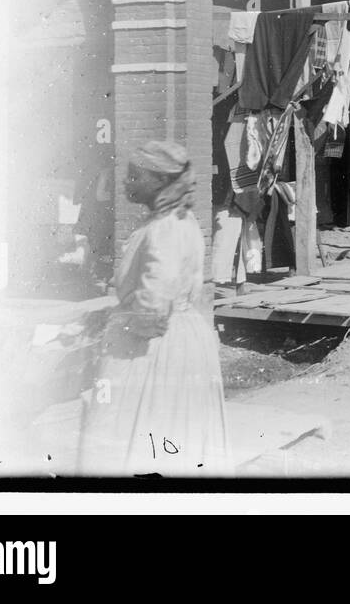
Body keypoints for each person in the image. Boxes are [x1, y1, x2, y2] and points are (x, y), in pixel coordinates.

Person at [78, 141, 233, 476]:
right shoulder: (180, 220)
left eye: (136, 176)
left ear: (160, 182)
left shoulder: (163, 230)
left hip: (154, 345)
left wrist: (115, 320)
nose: (126, 182)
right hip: (182, 334)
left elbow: (153, 304)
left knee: (130, 428)